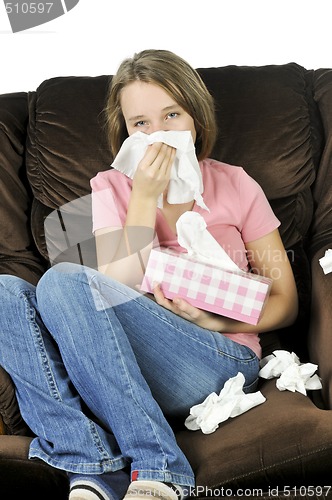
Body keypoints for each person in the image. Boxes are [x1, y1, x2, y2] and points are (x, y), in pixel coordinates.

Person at [0, 49, 298, 500]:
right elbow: (115, 288)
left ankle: (161, 466)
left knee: (63, 280)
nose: (157, 134)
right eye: (141, 124)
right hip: (114, 364)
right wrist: (143, 198)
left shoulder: (236, 183)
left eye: (172, 114)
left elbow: (286, 303)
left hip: (218, 359)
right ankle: (93, 464)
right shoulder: (110, 187)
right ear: (126, 134)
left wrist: (210, 321)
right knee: (5, 291)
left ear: (195, 119)